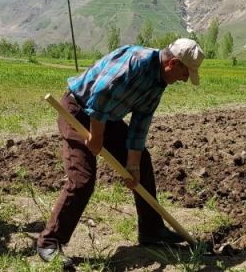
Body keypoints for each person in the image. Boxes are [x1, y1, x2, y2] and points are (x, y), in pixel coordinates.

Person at [37, 38, 205, 267]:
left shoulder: (158, 82)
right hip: (78, 111)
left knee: (142, 160)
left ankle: (151, 230)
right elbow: (101, 96)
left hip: (107, 119)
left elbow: (140, 124)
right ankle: (49, 241)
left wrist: (132, 165)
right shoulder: (136, 62)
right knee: (82, 178)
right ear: (173, 63)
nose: (185, 79)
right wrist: (96, 138)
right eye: (186, 73)